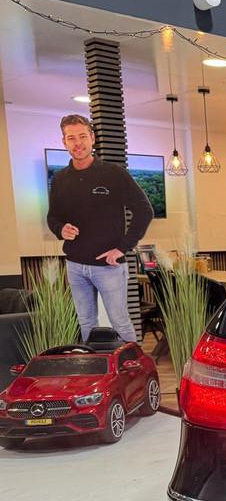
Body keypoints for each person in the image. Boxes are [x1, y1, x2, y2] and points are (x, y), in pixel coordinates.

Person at [45, 114, 154, 344]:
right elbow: (53, 216)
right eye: (71, 138)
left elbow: (145, 211)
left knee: (120, 322)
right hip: (75, 265)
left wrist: (122, 248)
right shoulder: (60, 179)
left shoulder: (114, 174)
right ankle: (94, 365)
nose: (78, 143)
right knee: (86, 323)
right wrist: (60, 229)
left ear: (92, 138)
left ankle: (133, 364)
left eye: (82, 136)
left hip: (109, 266)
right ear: (64, 142)